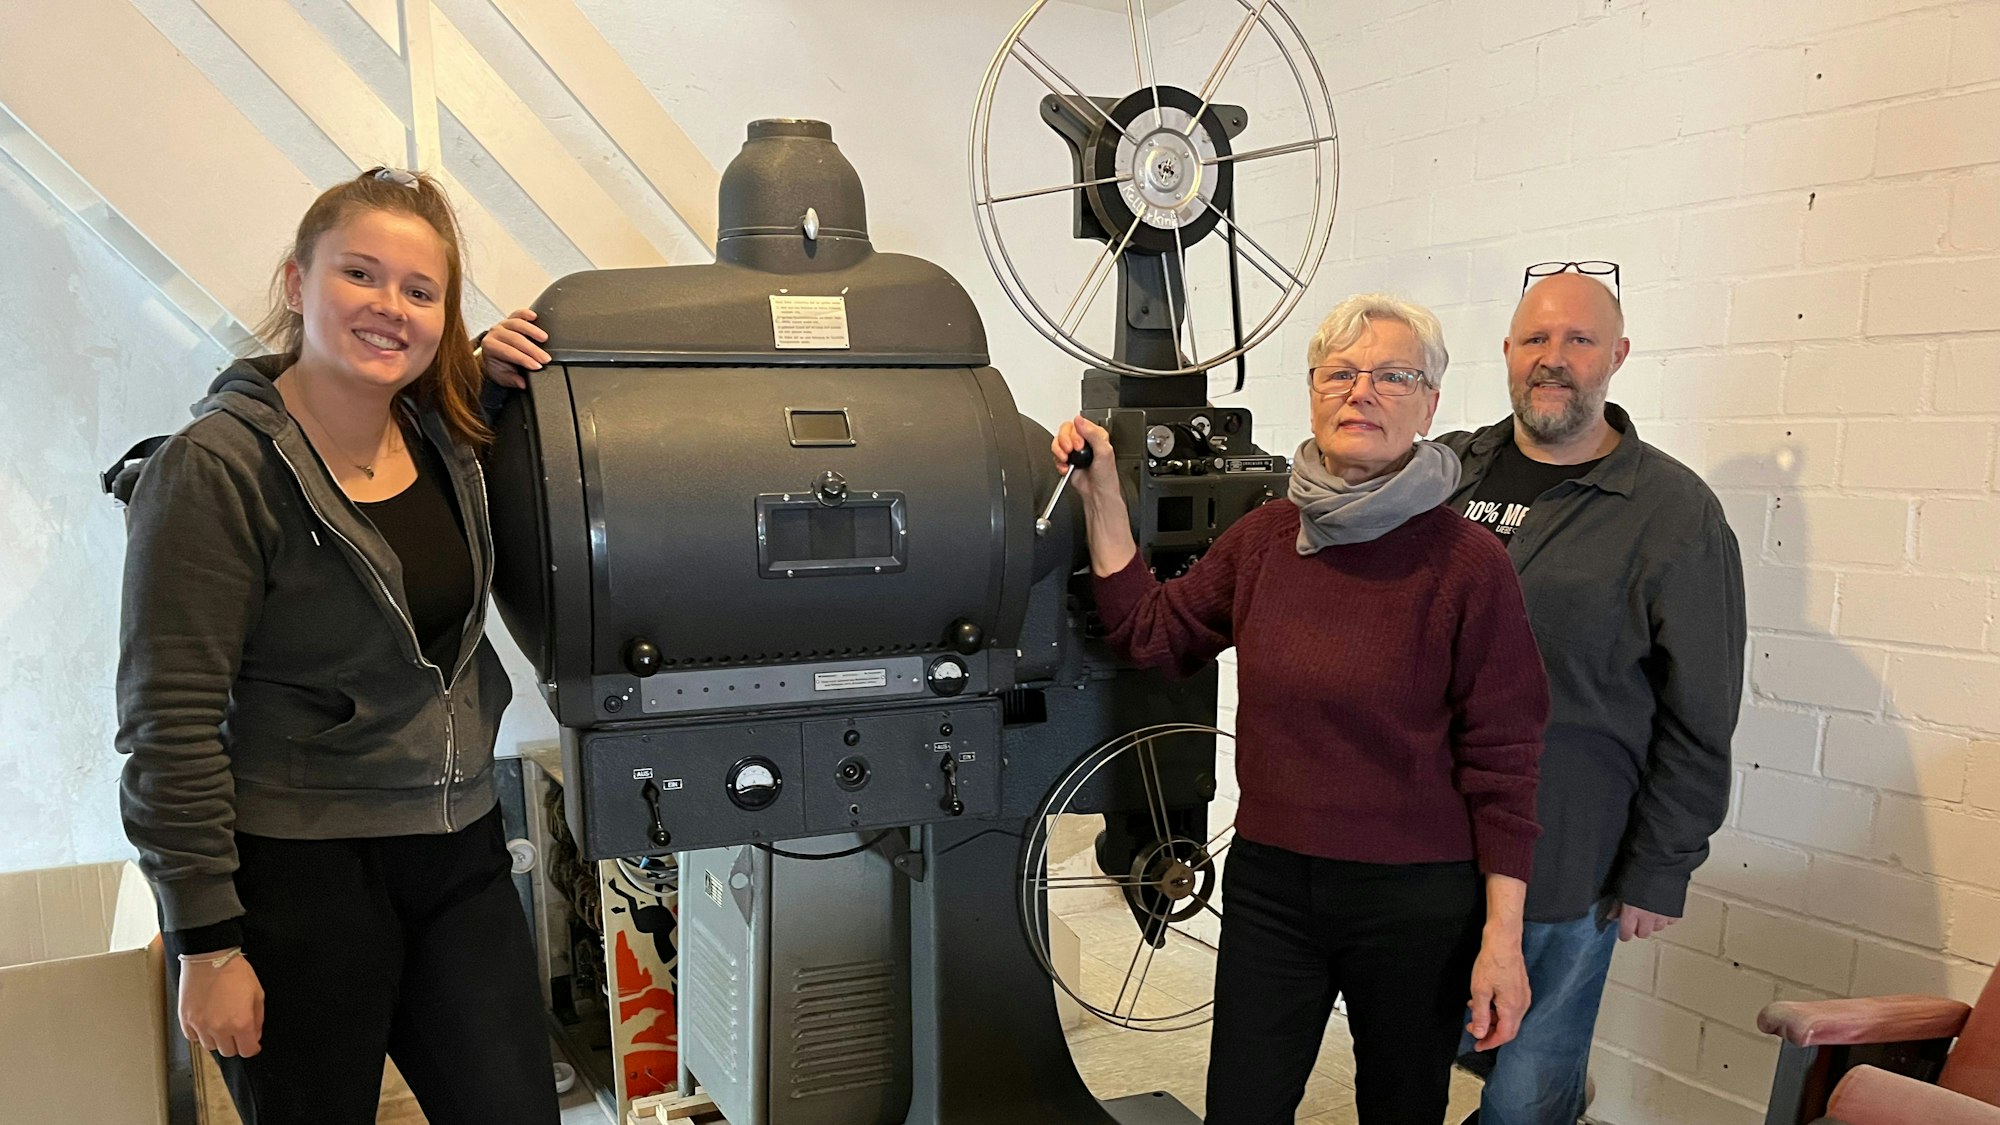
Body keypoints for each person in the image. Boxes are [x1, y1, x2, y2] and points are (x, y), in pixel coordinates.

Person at [116, 166, 554, 1125]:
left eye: (419, 290)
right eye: (360, 275)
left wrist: (491, 364)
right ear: (295, 282)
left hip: (457, 846)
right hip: (295, 874)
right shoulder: (214, 472)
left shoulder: (445, 436)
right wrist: (207, 943)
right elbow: (168, 725)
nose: (388, 307)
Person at [1053, 293, 1550, 1125]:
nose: (1363, 392)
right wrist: (1102, 488)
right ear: (1314, 392)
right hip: (1274, 884)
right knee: (1243, 1105)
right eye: (1341, 373)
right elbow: (1154, 634)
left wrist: (1503, 938)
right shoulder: (1265, 538)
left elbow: (1506, 760)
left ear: (1431, 401)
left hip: (1416, 897)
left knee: (1402, 1104)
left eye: (1394, 375)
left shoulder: (1469, 565)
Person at [1442, 265, 1746, 1125]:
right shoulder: (1448, 471)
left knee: (1525, 1085)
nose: (1555, 358)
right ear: (1506, 351)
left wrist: (1662, 864)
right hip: (1425, 834)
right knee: (1417, 1054)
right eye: (1536, 338)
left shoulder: (1673, 511)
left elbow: (1702, 707)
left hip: (1568, 849)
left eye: (1579, 339)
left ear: (1617, 354)